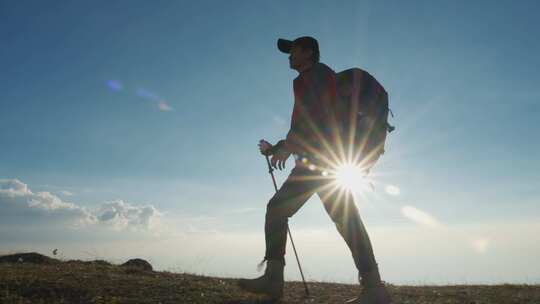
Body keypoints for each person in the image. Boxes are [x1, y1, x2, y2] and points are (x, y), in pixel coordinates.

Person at [237, 36, 391, 304]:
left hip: (321, 161)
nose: (288, 56)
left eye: (293, 50)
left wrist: (289, 146)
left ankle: (274, 281)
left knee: (278, 209)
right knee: (346, 220)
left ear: (308, 52)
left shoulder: (315, 76)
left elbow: (320, 117)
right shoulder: (315, 78)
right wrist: (279, 147)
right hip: (330, 160)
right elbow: (307, 123)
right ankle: (374, 287)